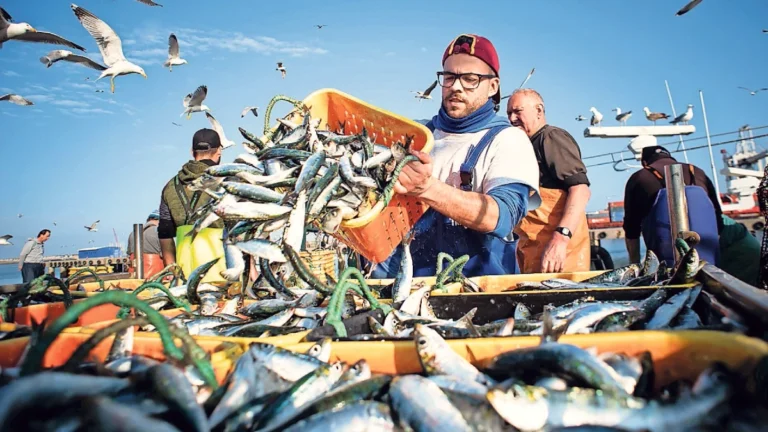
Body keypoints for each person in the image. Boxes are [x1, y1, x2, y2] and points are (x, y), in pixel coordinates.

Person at [370, 33, 541, 278]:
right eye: (449, 77)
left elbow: (499, 216)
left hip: (475, 295)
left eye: (470, 79)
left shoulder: (508, 140)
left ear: (493, 86)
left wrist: (426, 188)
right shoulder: (416, 135)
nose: (456, 87)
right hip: (402, 288)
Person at [507, 89, 592, 274]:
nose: (512, 119)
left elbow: (581, 190)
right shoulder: (525, 146)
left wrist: (561, 239)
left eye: (518, 111)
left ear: (539, 110)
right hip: (532, 252)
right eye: (509, 113)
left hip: (560, 257)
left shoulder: (551, 138)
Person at [623, 146, 723, 267]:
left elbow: (631, 230)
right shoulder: (697, 171)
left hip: (667, 261)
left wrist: (635, 265)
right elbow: (718, 219)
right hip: (709, 258)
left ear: (644, 163)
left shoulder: (639, 177)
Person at [158, 128, 227, 283]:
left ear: (192, 152)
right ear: (219, 151)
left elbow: (165, 234)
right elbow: (240, 230)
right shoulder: (229, 182)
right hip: (224, 277)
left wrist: (170, 270)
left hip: (186, 280)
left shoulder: (170, 186)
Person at [127, 210, 164, 279]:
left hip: (133, 279)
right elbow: (168, 256)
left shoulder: (132, 234)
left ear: (148, 219)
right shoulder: (160, 232)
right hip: (155, 279)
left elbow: (129, 254)